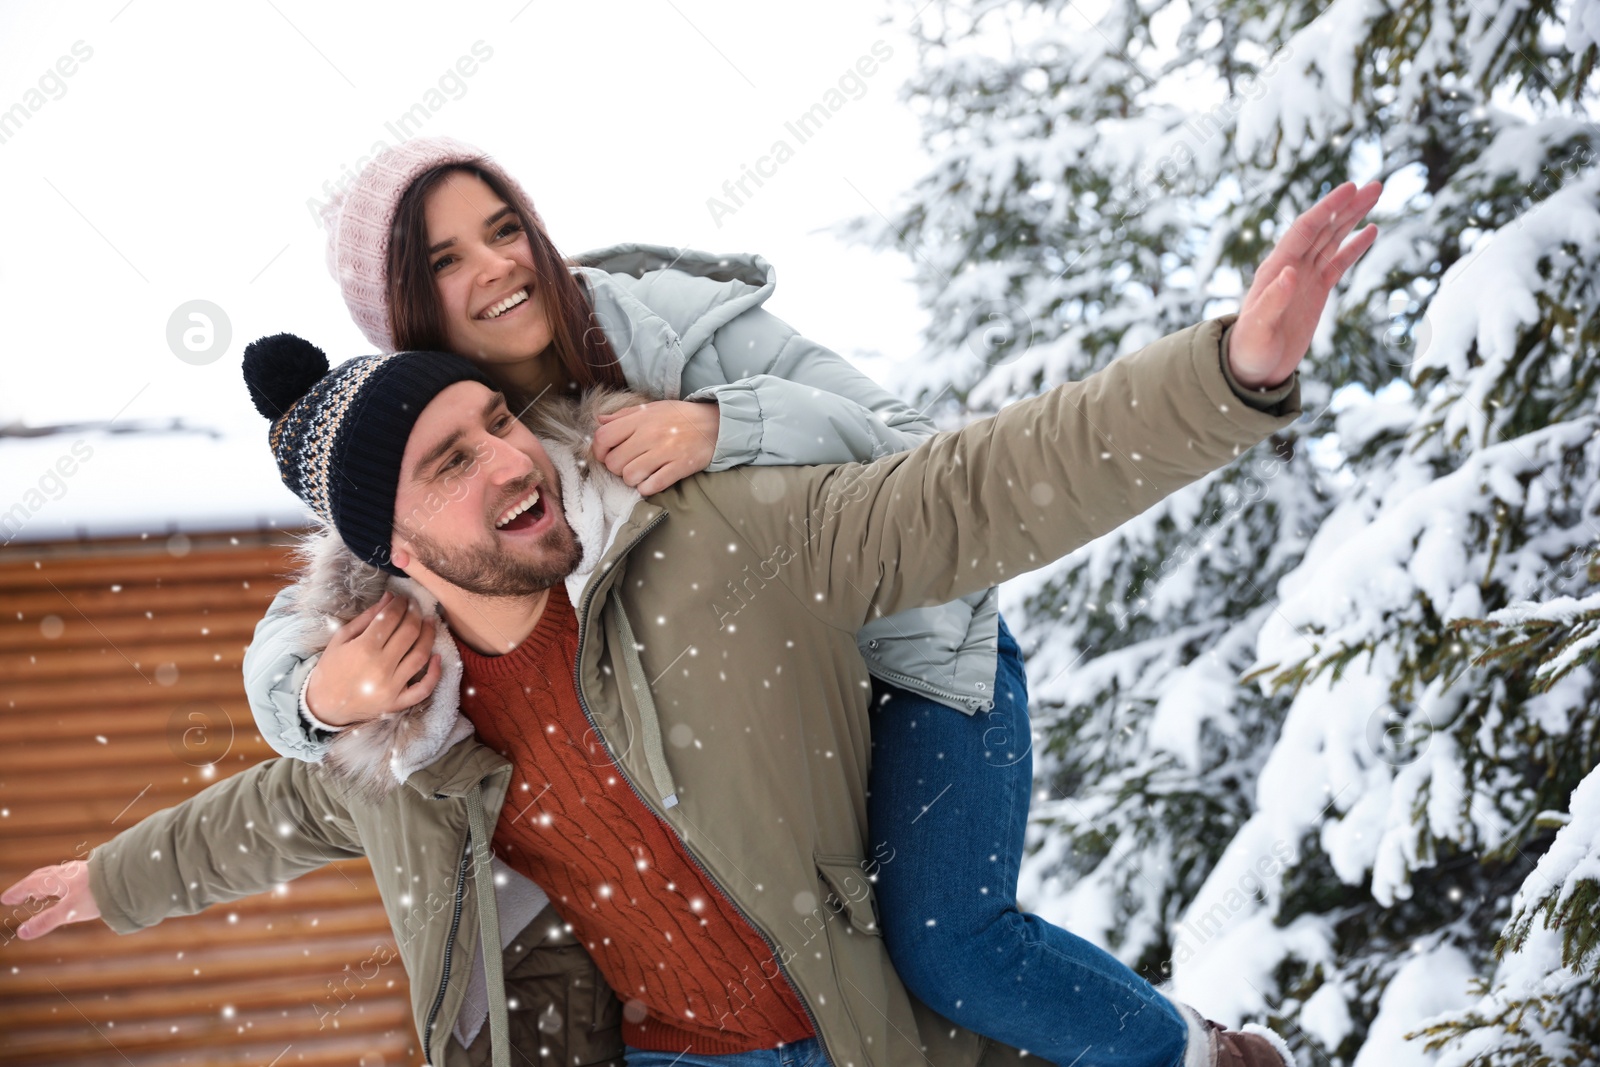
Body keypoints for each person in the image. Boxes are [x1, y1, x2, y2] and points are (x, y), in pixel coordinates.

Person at [4, 173, 1378, 1067]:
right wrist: (108, 882)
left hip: (854, 998)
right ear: (394, 554)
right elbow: (270, 813)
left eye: (498, 426)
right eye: (451, 463)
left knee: (956, 939)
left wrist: (1228, 374)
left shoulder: (710, 542)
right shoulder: (403, 726)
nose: (510, 460)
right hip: (666, 1057)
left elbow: (966, 491)